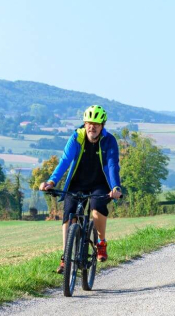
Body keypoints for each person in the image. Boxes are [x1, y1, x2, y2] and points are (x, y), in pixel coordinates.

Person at [39, 104, 123, 273]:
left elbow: (113, 165)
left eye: (96, 124)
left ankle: (101, 243)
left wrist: (115, 187)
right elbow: (64, 160)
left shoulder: (109, 141)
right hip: (77, 183)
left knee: (96, 207)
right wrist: (52, 182)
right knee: (69, 214)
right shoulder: (76, 137)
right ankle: (65, 257)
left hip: (100, 184)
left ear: (102, 126)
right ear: (85, 124)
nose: (92, 127)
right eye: (89, 123)